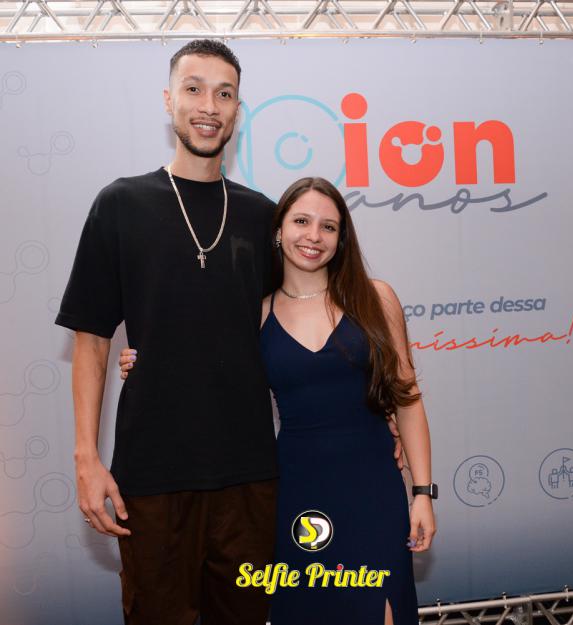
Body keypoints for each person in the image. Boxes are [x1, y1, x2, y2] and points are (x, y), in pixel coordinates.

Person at [120, 177, 437, 624]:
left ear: (341, 238)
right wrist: (141, 362)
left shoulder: (376, 298)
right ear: (278, 230)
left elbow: (407, 399)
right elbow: (200, 366)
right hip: (295, 489)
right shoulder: (255, 312)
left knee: (380, 607)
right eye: (301, 221)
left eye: (328, 226)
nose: (314, 236)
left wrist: (422, 493)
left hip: (373, 488)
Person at [55, 40, 281, 625]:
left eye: (224, 94)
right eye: (194, 88)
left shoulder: (263, 216)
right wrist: (86, 458)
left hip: (249, 476)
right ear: (168, 99)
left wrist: (371, 408)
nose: (209, 106)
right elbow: (91, 340)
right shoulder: (121, 204)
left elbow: (294, 325)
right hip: (152, 476)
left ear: (238, 110)